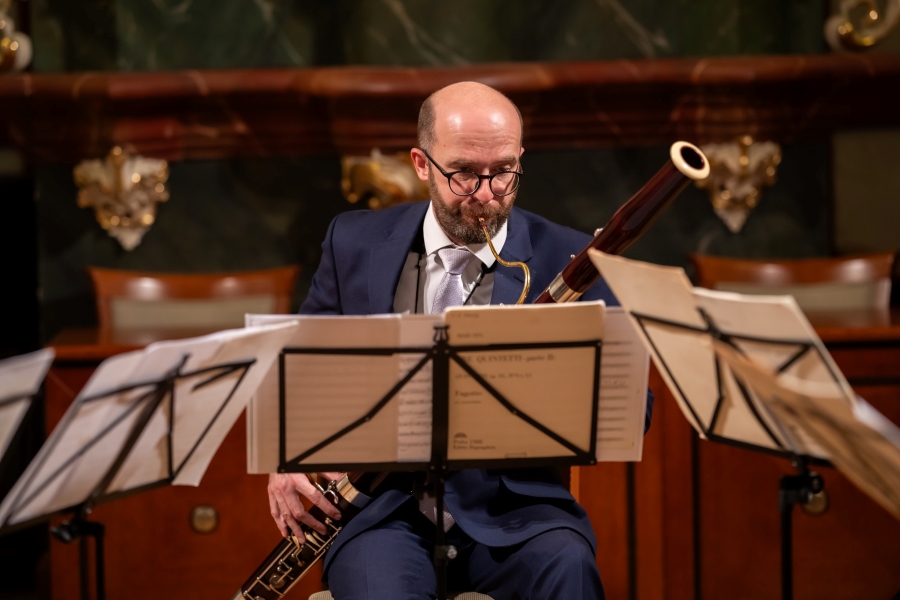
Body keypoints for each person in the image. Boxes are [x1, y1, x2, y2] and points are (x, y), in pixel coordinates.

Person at [267, 81, 651, 599]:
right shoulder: (352, 241)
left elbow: (632, 408)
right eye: (466, 173)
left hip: (516, 512)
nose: (489, 194)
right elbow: (302, 371)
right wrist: (286, 457)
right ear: (421, 164)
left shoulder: (573, 257)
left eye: (505, 172)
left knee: (568, 569)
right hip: (381, 513)